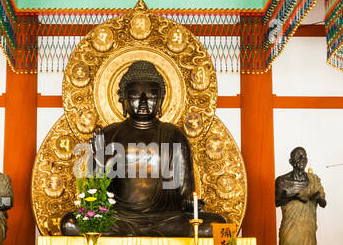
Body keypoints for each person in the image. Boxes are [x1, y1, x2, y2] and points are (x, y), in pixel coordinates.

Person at [59, 59, 225, 236]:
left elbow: (185, 192)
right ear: (123, 98)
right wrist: (99, 161)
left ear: (161, 99)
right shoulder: (110, 134)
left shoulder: (173, 135)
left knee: (217, 225)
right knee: (70, 223)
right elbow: (94, 193)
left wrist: (191, 205)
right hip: (120, 219)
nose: (144, 102)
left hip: (166, 219)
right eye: (135, 96)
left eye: (152, 96)